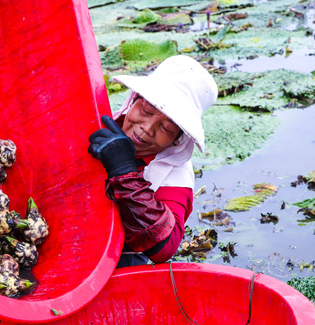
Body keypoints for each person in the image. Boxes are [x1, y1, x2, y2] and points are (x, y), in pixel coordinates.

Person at [88, 55, 218, 267]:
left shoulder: (175, 177)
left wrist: (124, 171)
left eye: (166, 128)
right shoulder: (99, 123)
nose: (147, 128)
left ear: (178, 137)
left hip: (115, 263)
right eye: (146, 110)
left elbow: (165, 248)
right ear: (134, 99)